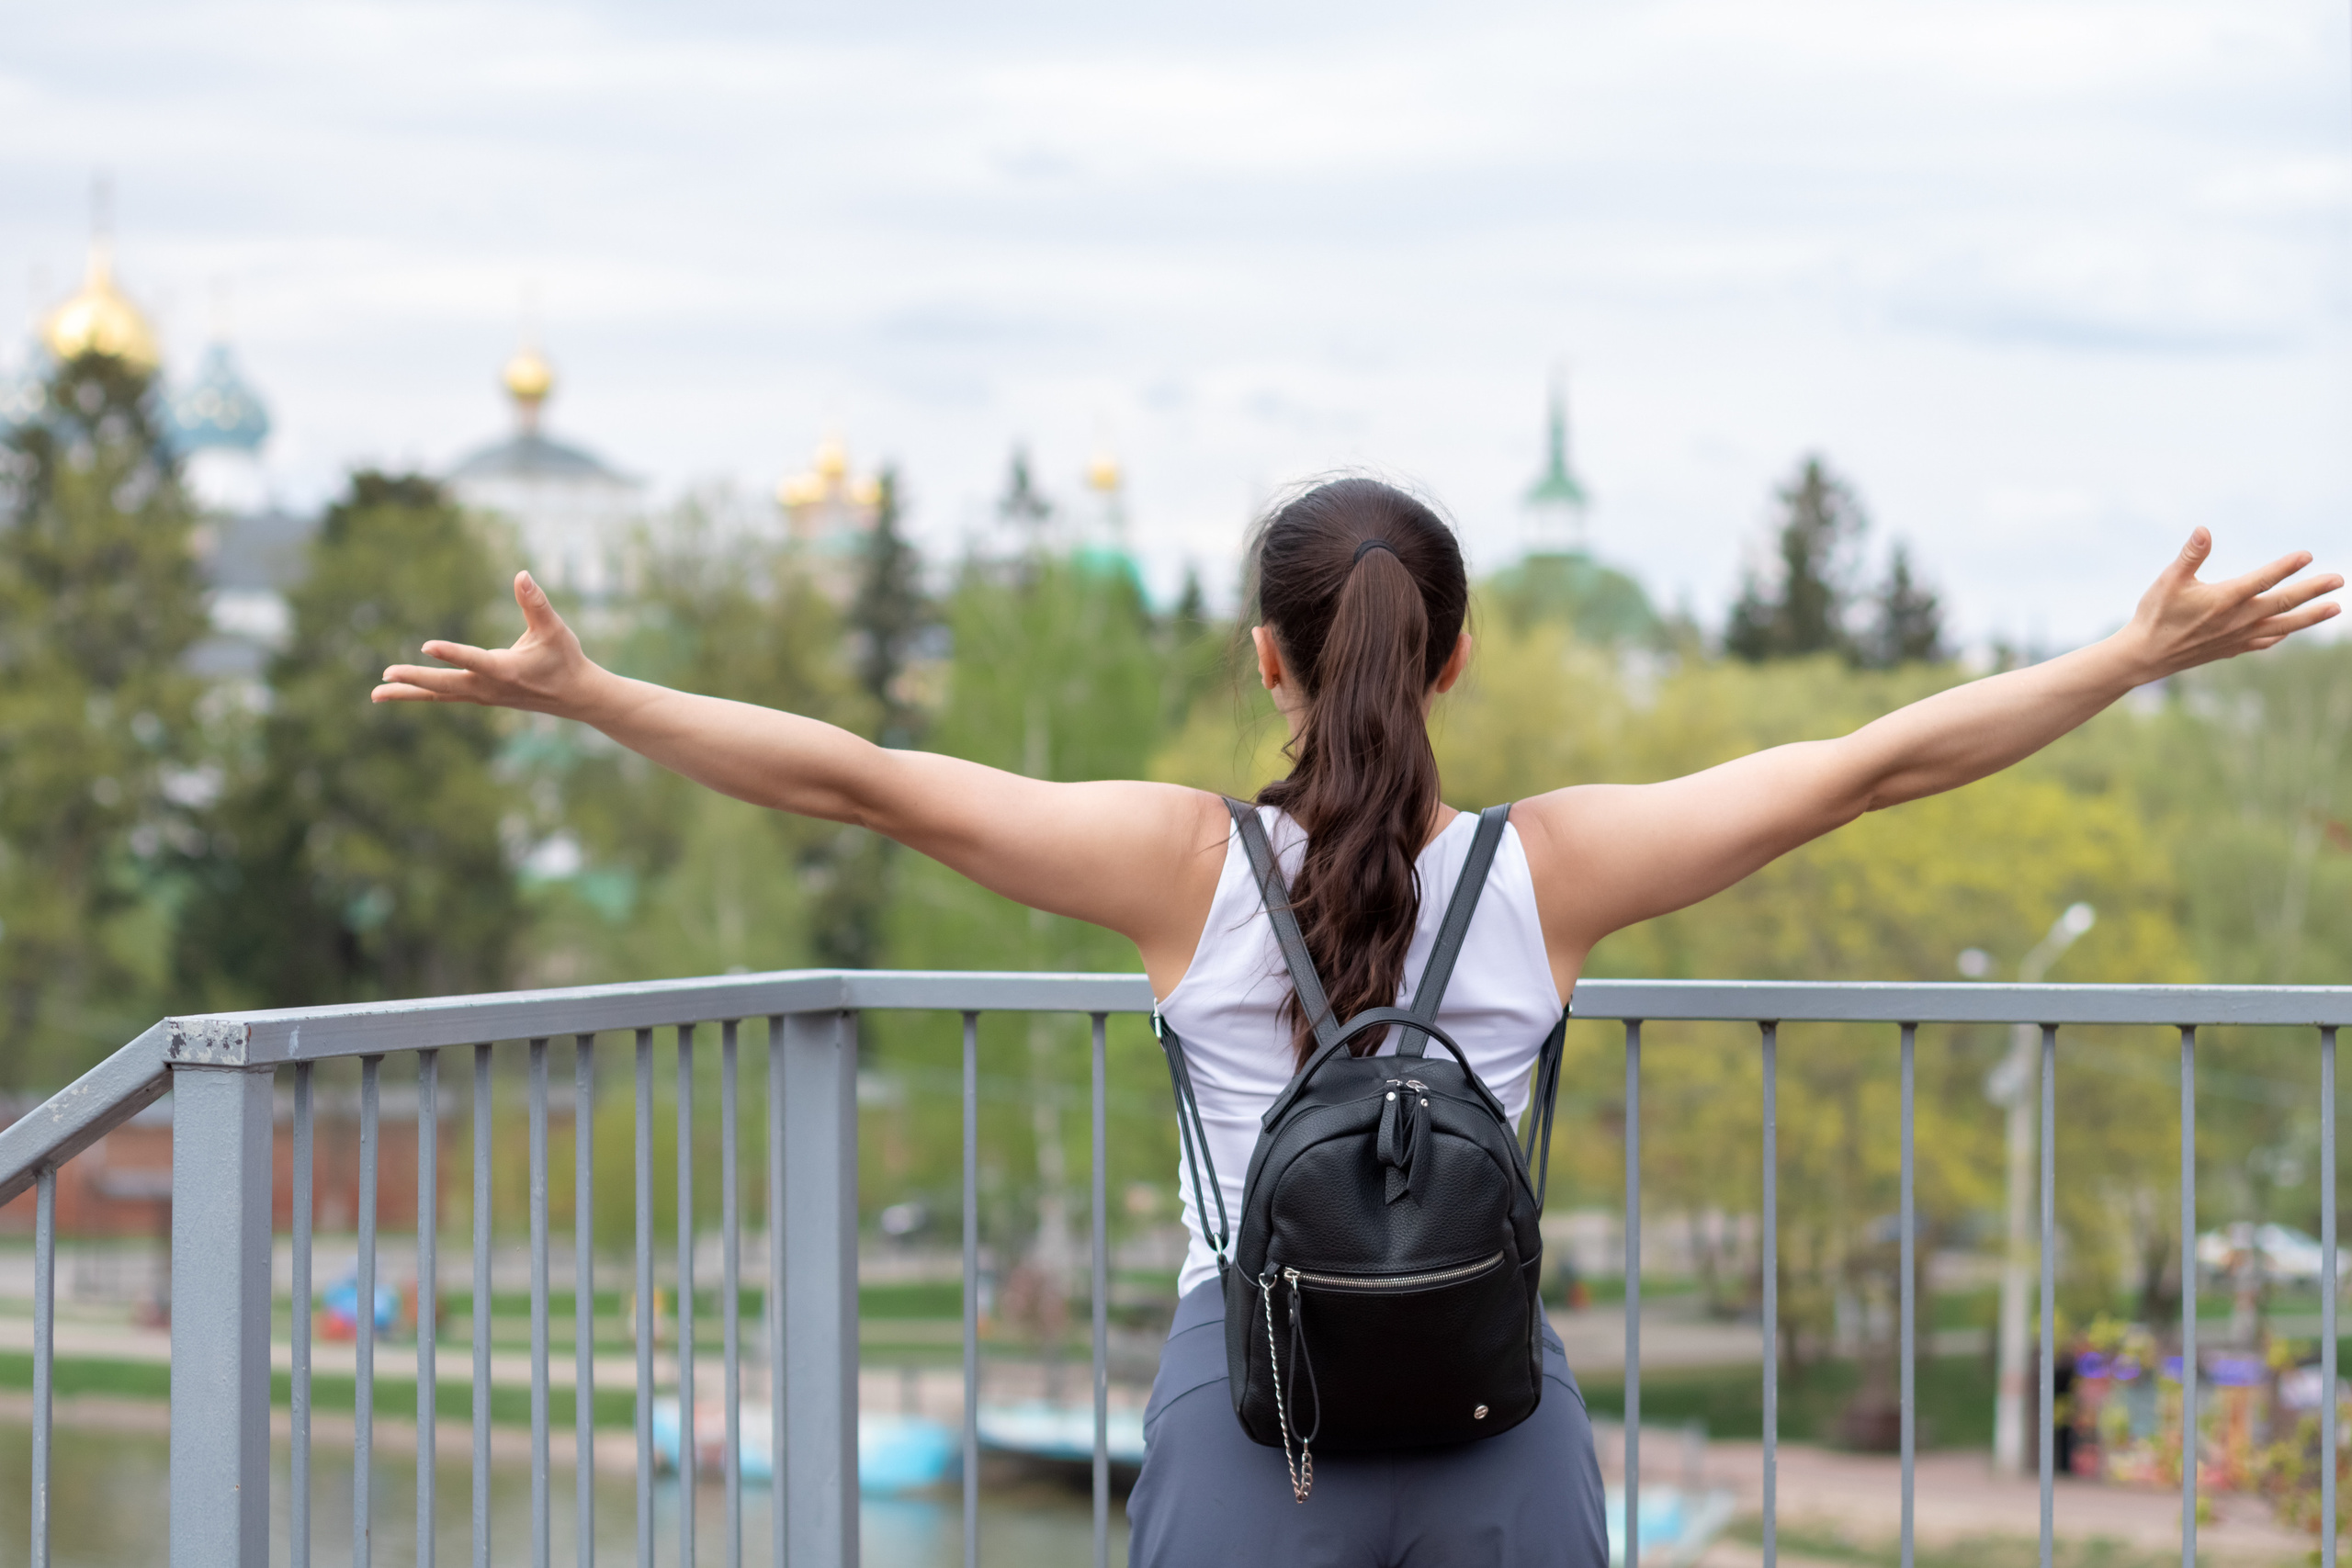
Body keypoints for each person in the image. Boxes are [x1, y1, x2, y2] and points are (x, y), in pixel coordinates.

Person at [375, 477, 2337, 1565]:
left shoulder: (1172, 861)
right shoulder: (1553, 867)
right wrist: (2125, 652)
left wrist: (599, 691)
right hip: (1497, 1416)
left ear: (1263, 658)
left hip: (1249, 1424)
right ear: (1458, 653)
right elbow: (1869, 765)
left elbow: (862, 781)